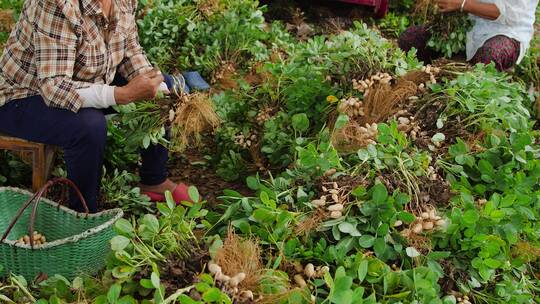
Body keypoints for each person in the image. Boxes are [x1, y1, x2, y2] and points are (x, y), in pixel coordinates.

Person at [0, 0, 194, 213]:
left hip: (84, 82)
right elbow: (54, 88)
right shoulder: (57, 4)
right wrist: (122, 95)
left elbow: (130, 51)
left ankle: (153, 179)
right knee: (89, 126)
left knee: (160, 85)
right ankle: (84, 215)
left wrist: (155, 86)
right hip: (23, 97)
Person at [399, 0, 539, 71]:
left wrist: (462, 4)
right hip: (467, 27)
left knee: (489, 56)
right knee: (410, 39)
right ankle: (422, 80)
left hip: (506, 32)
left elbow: (508, 14)